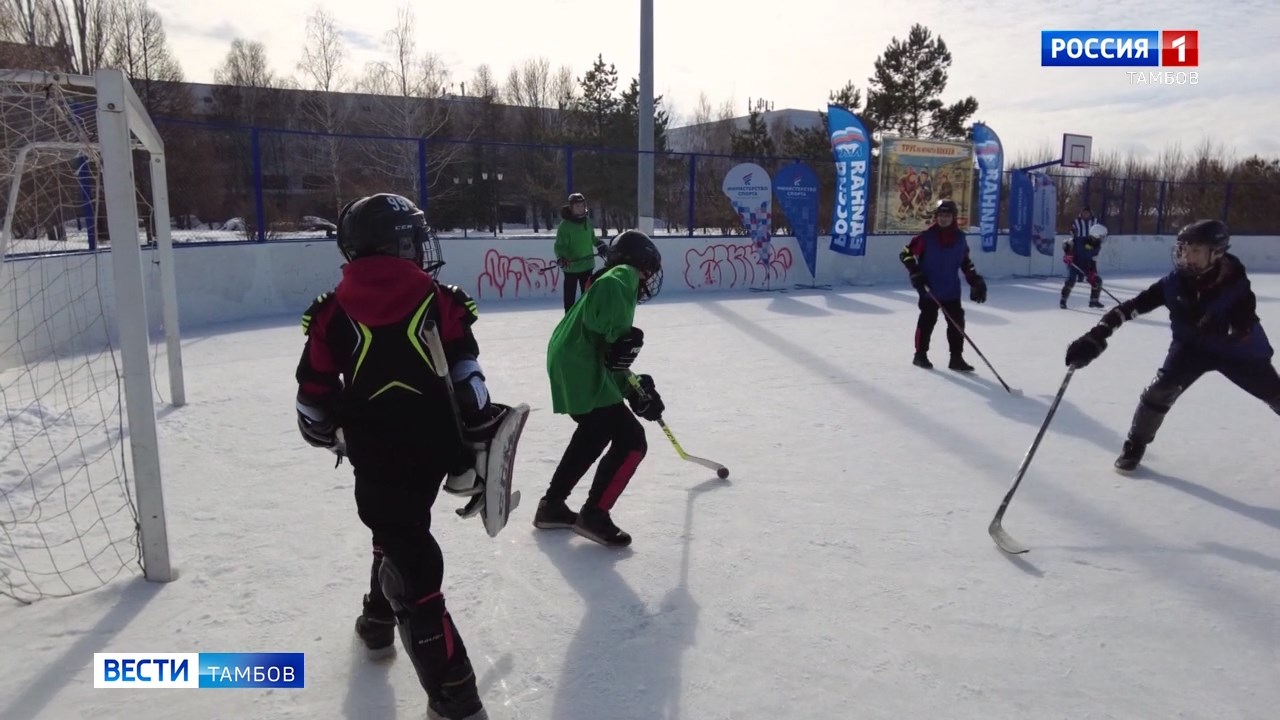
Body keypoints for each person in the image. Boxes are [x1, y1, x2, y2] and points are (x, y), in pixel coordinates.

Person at [295, 192, 524, 720]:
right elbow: (470, 382)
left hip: (377, 461)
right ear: (398, 244)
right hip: (438, 449)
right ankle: (381, 624)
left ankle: (455, 699)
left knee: (409, 558)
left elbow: (312, 402)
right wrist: (477, 431)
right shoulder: (441, 300)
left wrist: (330, 429)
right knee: (402, 535)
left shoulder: (330, 313)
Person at [1064, 219, 1280, 472]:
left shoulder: (1235, 281)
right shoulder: (1174, 283)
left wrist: (1232, 328)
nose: (1187, 256)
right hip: (1191, 348)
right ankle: (1135, 445)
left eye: (1195, 250)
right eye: (1184, 249)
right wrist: (1097, 334)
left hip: (1236, 351)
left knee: (1275, 393)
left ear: (1217, 253)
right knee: (1159, 391)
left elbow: (1244, 319)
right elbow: (1132, 306)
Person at [534, 229, 665, 547]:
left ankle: (552, 506)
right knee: (632, 441)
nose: (647, 278)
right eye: (647, 269)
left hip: (572, 362)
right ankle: (594, 515)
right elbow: (613, 345)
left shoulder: (613, 286)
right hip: (580, 366)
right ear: (638, 262)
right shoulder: (622, 277)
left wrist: (634, 388)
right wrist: (625, 356)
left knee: (594, 433)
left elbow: (611, 355)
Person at [899, 199, 988, 371]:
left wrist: (975, 280)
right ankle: (920, 355)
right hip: (929, 289)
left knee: (957, 324)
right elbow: (905, 253)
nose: (943, 218)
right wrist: (915, 271)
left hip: (951, 290)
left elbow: (965, 262)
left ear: (953, 217)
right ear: (936, 217)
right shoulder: (926, 237)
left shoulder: (960, 238)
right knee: (927, 321)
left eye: (947, 215)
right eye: (940, 215)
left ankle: (956, 358)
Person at [554, 192, 607, 312]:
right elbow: (560, 246)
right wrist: (561, 257)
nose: (580, 208)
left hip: (587, 265)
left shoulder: (587, 221)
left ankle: (586, 319)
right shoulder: (565, 226)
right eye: (577, 206)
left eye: (582, 205)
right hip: (571, 267)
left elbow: (592, 238)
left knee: (587, 298)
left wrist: (599, 244)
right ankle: (568, 319)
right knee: (569, 300)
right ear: (571, 207)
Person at [1061, 205, 1105, 309]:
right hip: (1075, 263)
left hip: (1086, 265)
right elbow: (1066, 244)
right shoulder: (1080, 240)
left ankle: (1094, 301)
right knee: (1071, 280)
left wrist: (1092, 272)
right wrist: (1067, 255)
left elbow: (1093, 259)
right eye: (1101, 236)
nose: (1102, 238)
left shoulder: (1097, 245)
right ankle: (1063, 300)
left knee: (1097, 281)